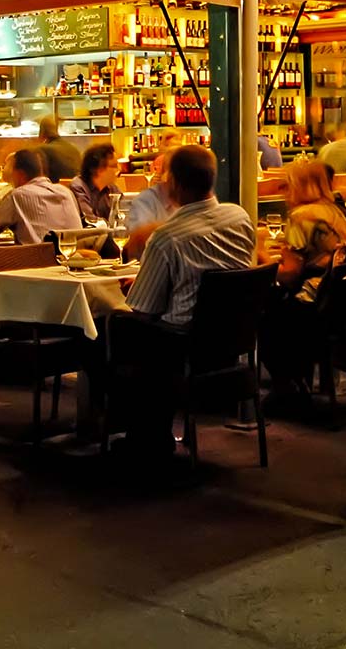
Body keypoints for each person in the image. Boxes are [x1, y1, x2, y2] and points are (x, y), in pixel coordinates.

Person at [107, 145, 257, 462]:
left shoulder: (167, 237)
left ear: (173, 183)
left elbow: (144, 309)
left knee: (114, 327)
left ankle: (143, 435)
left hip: (180, 347)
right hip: (231, 341)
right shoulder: (240, 218)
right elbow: (213, 276)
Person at [261, 159, 346, 391]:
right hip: (340, 305)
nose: (283, 192)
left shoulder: (301, 217)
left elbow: (290, 275)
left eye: (286, 186)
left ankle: (288, 385)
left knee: (261, 314)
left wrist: (261, 255)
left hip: (310, 306)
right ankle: (296, 380)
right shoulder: (335, 212)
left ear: (299, 186)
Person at [0, 148, 81, 244]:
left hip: (36, 262)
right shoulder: (66, 192)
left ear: (20, 174)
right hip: (77, 260)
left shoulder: (17, 196)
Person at [70, 141, 122, 221]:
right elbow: (89, 220)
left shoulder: (112, 189)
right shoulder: (79, 187)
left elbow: (124, 214)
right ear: (99, 169)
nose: (119, 169)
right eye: (114, 166)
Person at [37, 115, 81, 182]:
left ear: (41, 132)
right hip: (77, 189)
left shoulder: (43, 150)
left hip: (55, 190)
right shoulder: (73, 148)